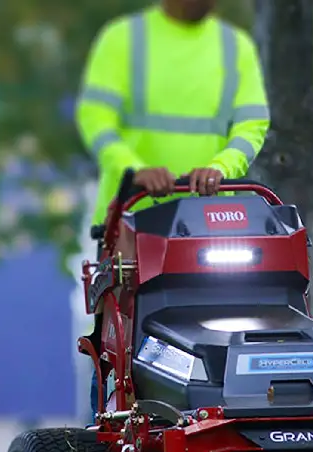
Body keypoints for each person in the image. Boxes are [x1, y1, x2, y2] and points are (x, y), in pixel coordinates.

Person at [75, 0, 270, 420]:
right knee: (119, 350)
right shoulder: (125, 39)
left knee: (224, 335)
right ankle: (104, 443)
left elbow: (252, 124)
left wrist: (222, 167)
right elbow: (96, 119)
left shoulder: (234, 46)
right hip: (130, 224)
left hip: (209, 227)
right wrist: (134, 168)